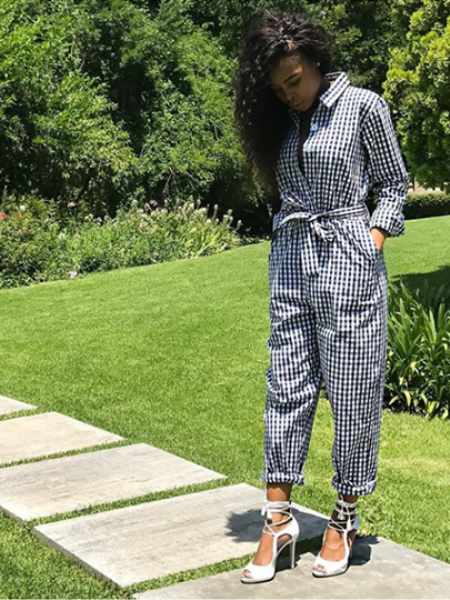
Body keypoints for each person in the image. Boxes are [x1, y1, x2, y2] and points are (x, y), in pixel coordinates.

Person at [233, 10, 410, 583]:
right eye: (278, 87)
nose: (289, 93)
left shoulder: (363, 106)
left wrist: (372, 240)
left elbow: (394, 183)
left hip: (349, 259)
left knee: (353, 392)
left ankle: (344, 516)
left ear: (314, 60)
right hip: (291, 261)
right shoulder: (281, 124)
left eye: (295, 80)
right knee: (285, 386)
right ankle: (277, 519)